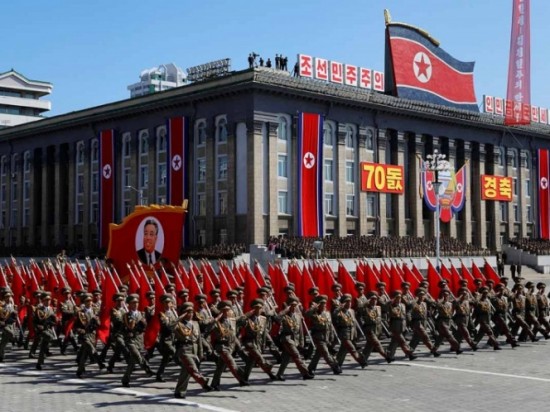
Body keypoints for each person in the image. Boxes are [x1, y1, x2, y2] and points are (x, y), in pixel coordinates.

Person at [174, 302, 213, 398]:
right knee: (192, 368)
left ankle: (179, 391)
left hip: (194, 350)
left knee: (186, 371)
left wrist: (200, 353)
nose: (190, 314)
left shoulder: (195, 323)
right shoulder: (178, 324)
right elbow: (170, 326)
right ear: (183, 313)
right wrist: (179, 317)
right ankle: (203, 381)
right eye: (188, 312)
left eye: (191, 312)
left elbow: (199, 339)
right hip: (184, 349)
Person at [210, 300, 248, 389]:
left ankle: (214, 384)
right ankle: (242, 379)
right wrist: (216, 319)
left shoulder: (232, 320)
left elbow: (242, 320)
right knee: (232, 363)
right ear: (220, 311)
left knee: (220, 366)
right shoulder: (216, 322)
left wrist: (248, 315)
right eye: (224, 310)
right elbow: (208, 328)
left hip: (230, 346)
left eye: (228, 310)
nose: (226, 312)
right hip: (222, 346)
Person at [275, 296, 314, 380]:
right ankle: (305, 373)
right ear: (289, 306)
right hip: (287, 338)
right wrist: (285, 310)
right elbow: (277, 318)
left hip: (294, 339)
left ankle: (279, 375)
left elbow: (300, 330)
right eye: (292, 305)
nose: (294, 307)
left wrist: (301, 342)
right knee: (296, 355)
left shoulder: (298, 316)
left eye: (295, 305)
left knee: (286, 357)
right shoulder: (284, 316)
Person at [239, 299, 277, 381]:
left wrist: (263, 344)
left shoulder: (263, 318)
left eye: (260, 308)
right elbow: (239, 322)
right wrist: (247, 314)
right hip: (250, 342)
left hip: (258, 342)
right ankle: (268, 365)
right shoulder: (248, 319)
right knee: (260, 358)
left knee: (251, 361)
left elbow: (264, 333)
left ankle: (244, 378)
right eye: (256, 308)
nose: (258, 310)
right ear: (253, 309)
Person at [121, 294, 154, 387]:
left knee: (132, 362)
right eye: (133, 303)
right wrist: (133, 321)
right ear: (129, 304)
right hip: (130, 340)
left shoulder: (141, 314)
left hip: (139, 339)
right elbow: (129, 327)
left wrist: (143, 324)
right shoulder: (126, 315)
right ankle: (147, 369)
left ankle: (125, 379)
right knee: (137, 355)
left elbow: (145, 326)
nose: (135, 304)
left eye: (137, 302)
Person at [306, 295, 341, 375]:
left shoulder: (327, 313)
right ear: (318, 304)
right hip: (318, 336)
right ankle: (335, 367)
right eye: (322, 303)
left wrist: (331, 337)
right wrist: (313, 308)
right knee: (325, 353)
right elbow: (306, 314)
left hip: (326, 336)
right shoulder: (314, 313)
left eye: (325, 303)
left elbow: (330, 326)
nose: (324, 305)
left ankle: (311, 368)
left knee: (318, 353)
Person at [75, 293, 104, 378]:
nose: (90, 302)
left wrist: (97, 320)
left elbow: (99, 324)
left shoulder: (95, 311)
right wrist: (80, 330)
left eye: (91, 301)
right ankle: (100, 363)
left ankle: (79, 371)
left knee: (85, 354)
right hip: (84, 336)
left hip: (92, 335)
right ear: (84, 302)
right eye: (87, 301)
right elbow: (76, 326)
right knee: (92, 349)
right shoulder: (80, 313)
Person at [156, 294, 179, 382]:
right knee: (176, 354)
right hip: (166, 339)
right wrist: (177, 320)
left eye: (169, 302)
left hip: (174, 338)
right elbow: (167, 326)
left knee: (165, 359)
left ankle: (159, 374)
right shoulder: (162, 314)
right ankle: (188, 370)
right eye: (166, 302)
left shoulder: (173, 312)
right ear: (163, 303)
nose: (168, 304)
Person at [33, 292, 58, 370]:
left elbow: (53, 320)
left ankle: (39, 363)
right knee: (50, 337)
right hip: (42, 330)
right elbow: (35, 321)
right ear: (43, 301)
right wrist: (38, 326)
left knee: (43, 347)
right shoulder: (39, 310)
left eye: (49, 300)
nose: (48, 301)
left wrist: (54, 321)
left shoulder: (51, 309)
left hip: (49, 329)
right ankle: (57, 342)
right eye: (46, 300)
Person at [0, 290, 18, 362]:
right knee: (11, 334)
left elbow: (14, 317)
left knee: (4, 342)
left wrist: (15, 313)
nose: (8, 298)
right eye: (7, 297)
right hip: (4, 325)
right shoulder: (1, 306)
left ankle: (1, 356)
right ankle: (16, 340)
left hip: (11, 325)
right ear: (4, 298)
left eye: (9, 296)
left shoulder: (12, 306)